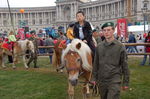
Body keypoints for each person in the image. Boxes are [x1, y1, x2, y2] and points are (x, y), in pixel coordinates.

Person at [93, 22, 130, 99]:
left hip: (114, 80)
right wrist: (94, 78)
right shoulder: (99, 47)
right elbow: (96, 64)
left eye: (109, 30)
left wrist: (126, 82)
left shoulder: (120, 47)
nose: (106, 32)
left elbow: (125, 66)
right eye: (104, 30)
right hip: (102, 80)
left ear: (113, 31)